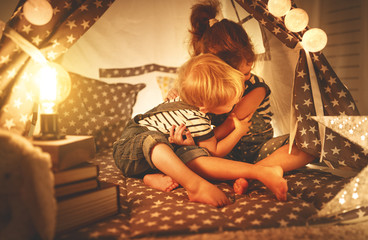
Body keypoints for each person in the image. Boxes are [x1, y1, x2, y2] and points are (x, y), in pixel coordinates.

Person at [166, 0, 316, 193]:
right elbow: (190, 113)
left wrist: (204, 142)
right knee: (183, 153)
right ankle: (248, 173)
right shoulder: (208, 86)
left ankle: (253, 172)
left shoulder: (256, 87)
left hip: (258, 151)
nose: (247, 78)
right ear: (220, 72)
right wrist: (179, 98)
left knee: (310, 143)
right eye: (242, 75)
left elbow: (231, 122)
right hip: (222, 152)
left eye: (249, 71)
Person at [113, 54, 288, 207]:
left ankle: (150, 176)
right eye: (231, 102)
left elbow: (205, 144)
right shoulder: (197, 118)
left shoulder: (189, 101)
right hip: (129, 146)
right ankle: (195, 186)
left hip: (149, 159)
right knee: (154, 141)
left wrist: (191, 146)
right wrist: (238, 132)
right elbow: (214, 152)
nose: (236, 102)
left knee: (189, 155)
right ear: (205, 107)